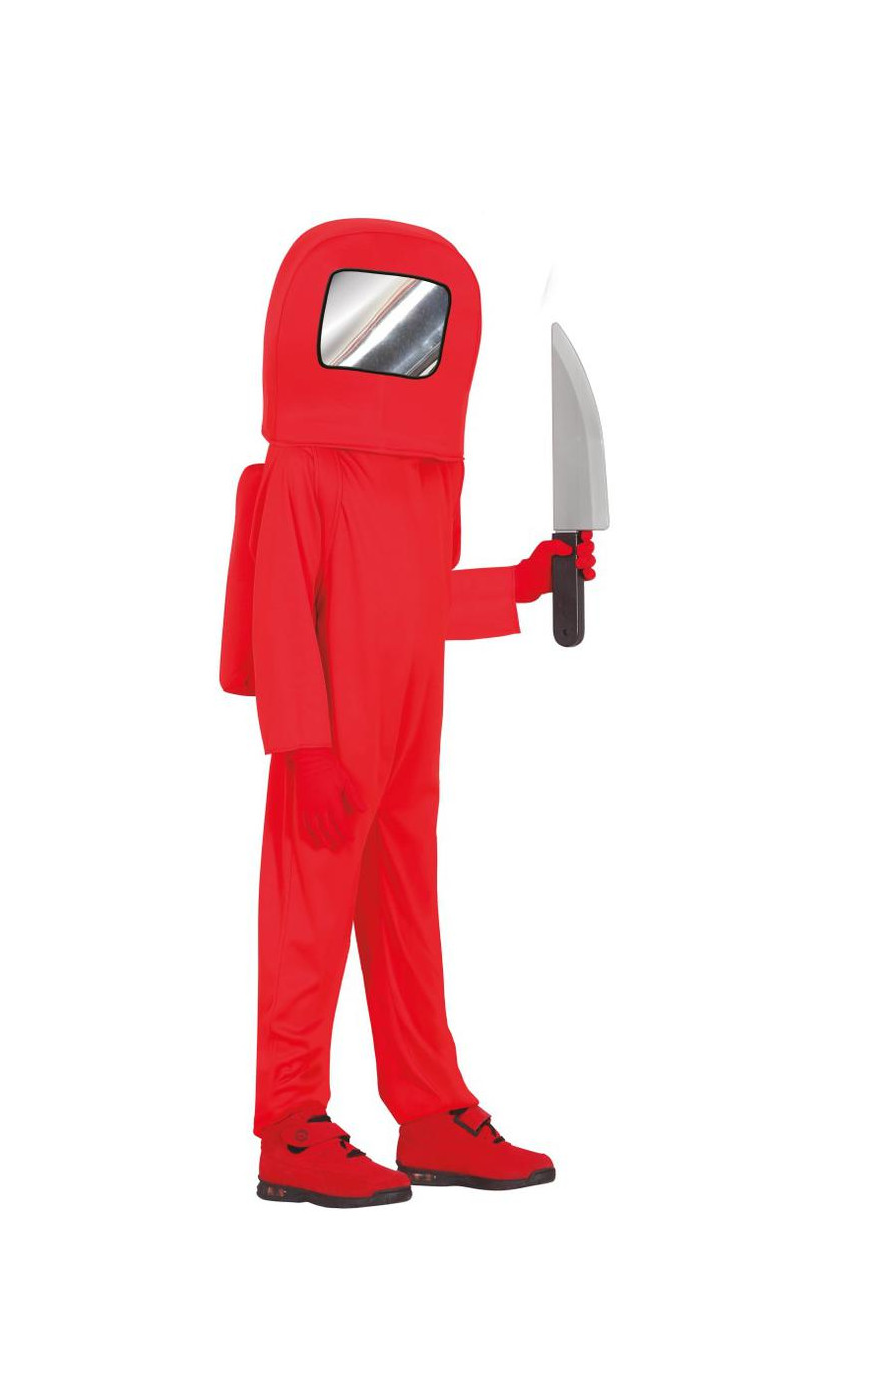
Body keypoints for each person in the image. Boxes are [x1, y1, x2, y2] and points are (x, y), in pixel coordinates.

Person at [221, 219, 594, 1207]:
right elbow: (277, 610)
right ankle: (289, 1125)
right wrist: (303, 747)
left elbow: (416, 603)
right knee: (306, 923)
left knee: (405, 923)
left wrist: (521, 582)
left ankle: (430, 1111)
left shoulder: (429, 477)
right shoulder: (304, 466)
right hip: (329, 734)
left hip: (408, 735)